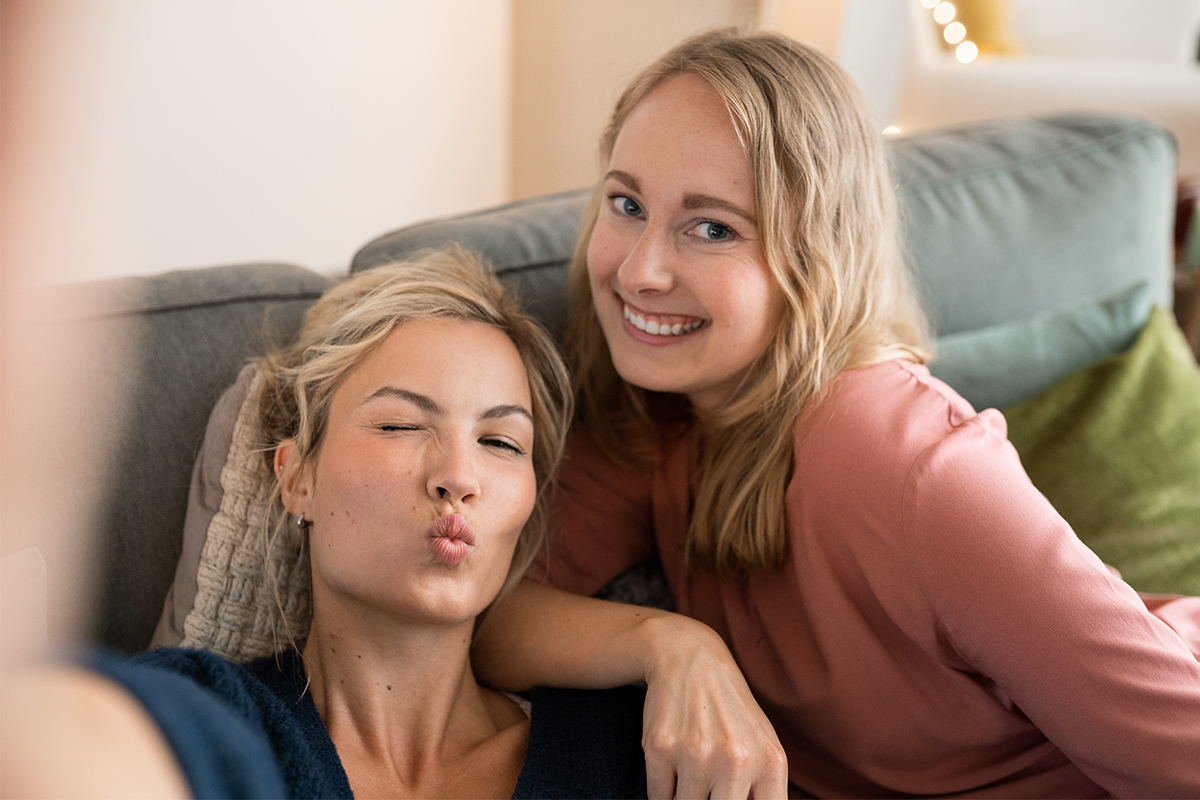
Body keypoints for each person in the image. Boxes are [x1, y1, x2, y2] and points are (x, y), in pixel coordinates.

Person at [471, 28, 1200, 798]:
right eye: (626, 203)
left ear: (816, 256)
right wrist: (672, 645)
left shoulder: (903, 462)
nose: (640, 269)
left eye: (712, 227)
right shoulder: (666, 409)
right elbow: (485, 613)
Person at [0, 249, 648, 799]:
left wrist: (676, 649)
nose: (459, 475)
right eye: (401, 424)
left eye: (502, 442)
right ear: (297, 478)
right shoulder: (219, 712)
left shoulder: (633, 745)